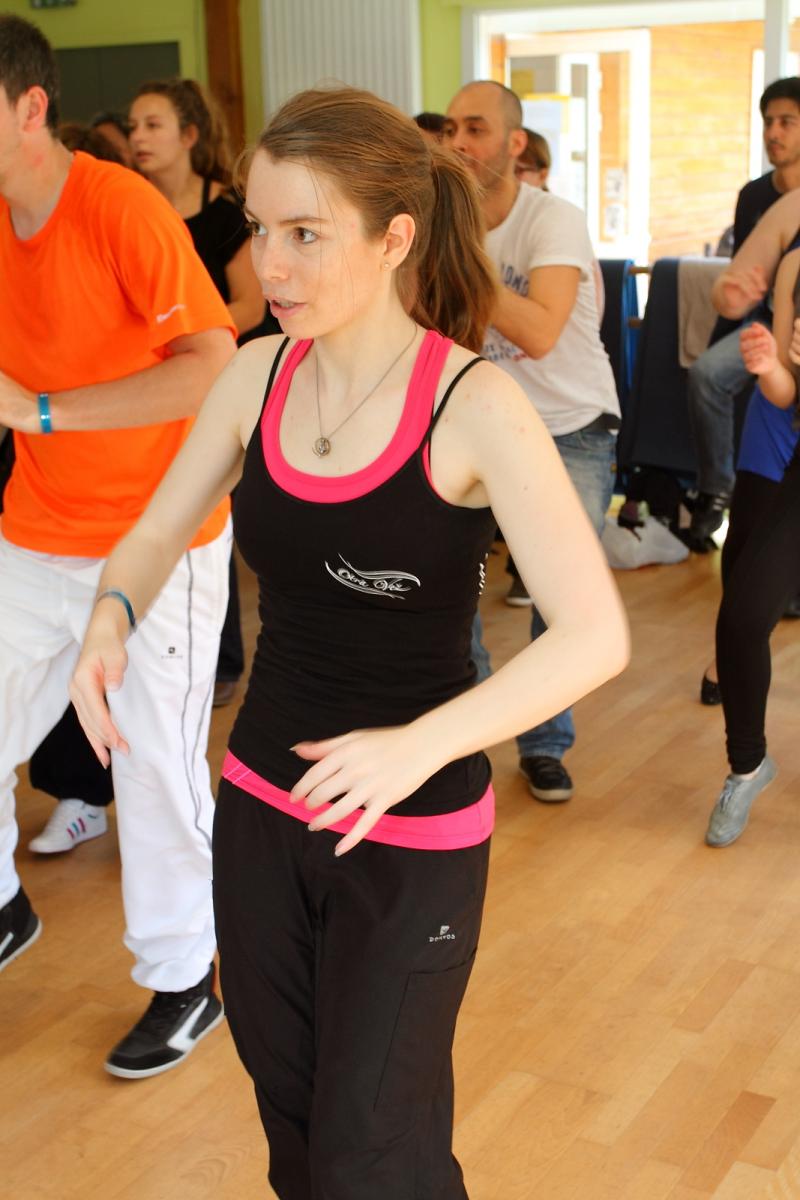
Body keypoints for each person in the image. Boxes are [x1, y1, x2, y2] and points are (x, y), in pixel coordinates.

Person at [70, 85, 629, 1196]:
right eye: (260, 229)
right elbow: (155, 530)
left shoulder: (473, 405)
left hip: (410, 832)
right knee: (296, 1135)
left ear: (394, 239)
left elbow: (594, 636)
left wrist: (419, 745)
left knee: (374, 1153)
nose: (268, 265)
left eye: (305, 234)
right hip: (262, 812)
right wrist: (107, 618)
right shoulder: (254, 375)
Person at [0, 15, 236, 1081]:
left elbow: (210, 365)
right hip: (36, 533)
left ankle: (189, 980)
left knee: (151, 772)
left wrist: (43, 411)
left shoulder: (118, 208)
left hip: (157, 540)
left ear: (30, 107)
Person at [444, 80, 621, 804]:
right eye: (451, 128)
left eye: (475, 129)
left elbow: (541, 332)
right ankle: (476, 729)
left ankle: (545, 745)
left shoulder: (554, 220)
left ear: (515, 144)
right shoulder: (444, 223)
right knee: (449, 584)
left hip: (572, 426)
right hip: (482, 430)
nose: (458, 142)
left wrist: (458, 256)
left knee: (559, 603)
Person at [704, 234, 800, 847]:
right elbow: (791, 392)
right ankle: (747, 767)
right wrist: (770, 368)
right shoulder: (797, 264)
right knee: (741, 618)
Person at [687, 75, 800, 551]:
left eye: (787, 122)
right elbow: (729, 288)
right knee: (708, 373)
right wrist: (731, 295)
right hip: (763, 326)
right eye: (768, 122)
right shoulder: (755, 196)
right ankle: (717, 488)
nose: (774, 132)